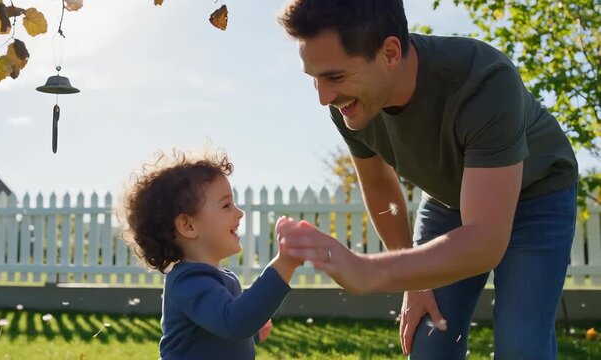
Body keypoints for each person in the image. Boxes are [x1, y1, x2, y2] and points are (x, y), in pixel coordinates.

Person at [276, 1, 578, 359]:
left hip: (538, 194)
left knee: (521, 344)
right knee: (430, 340)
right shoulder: (350, 106)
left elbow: (485, 241)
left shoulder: (483, 79)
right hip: (448, 200)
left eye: (335, 77)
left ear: (389, 52)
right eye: (314, 77)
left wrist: (370, 271)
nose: (324, 96)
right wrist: (413, 282)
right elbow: (379, 186)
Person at [122, 151, 301, 360]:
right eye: (226, 205)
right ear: (188, 226)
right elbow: (233, 323)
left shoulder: (223, 278)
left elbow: (222, 329)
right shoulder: (188, 282)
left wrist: (252, 333)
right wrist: (284, 264)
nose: (239, 213)